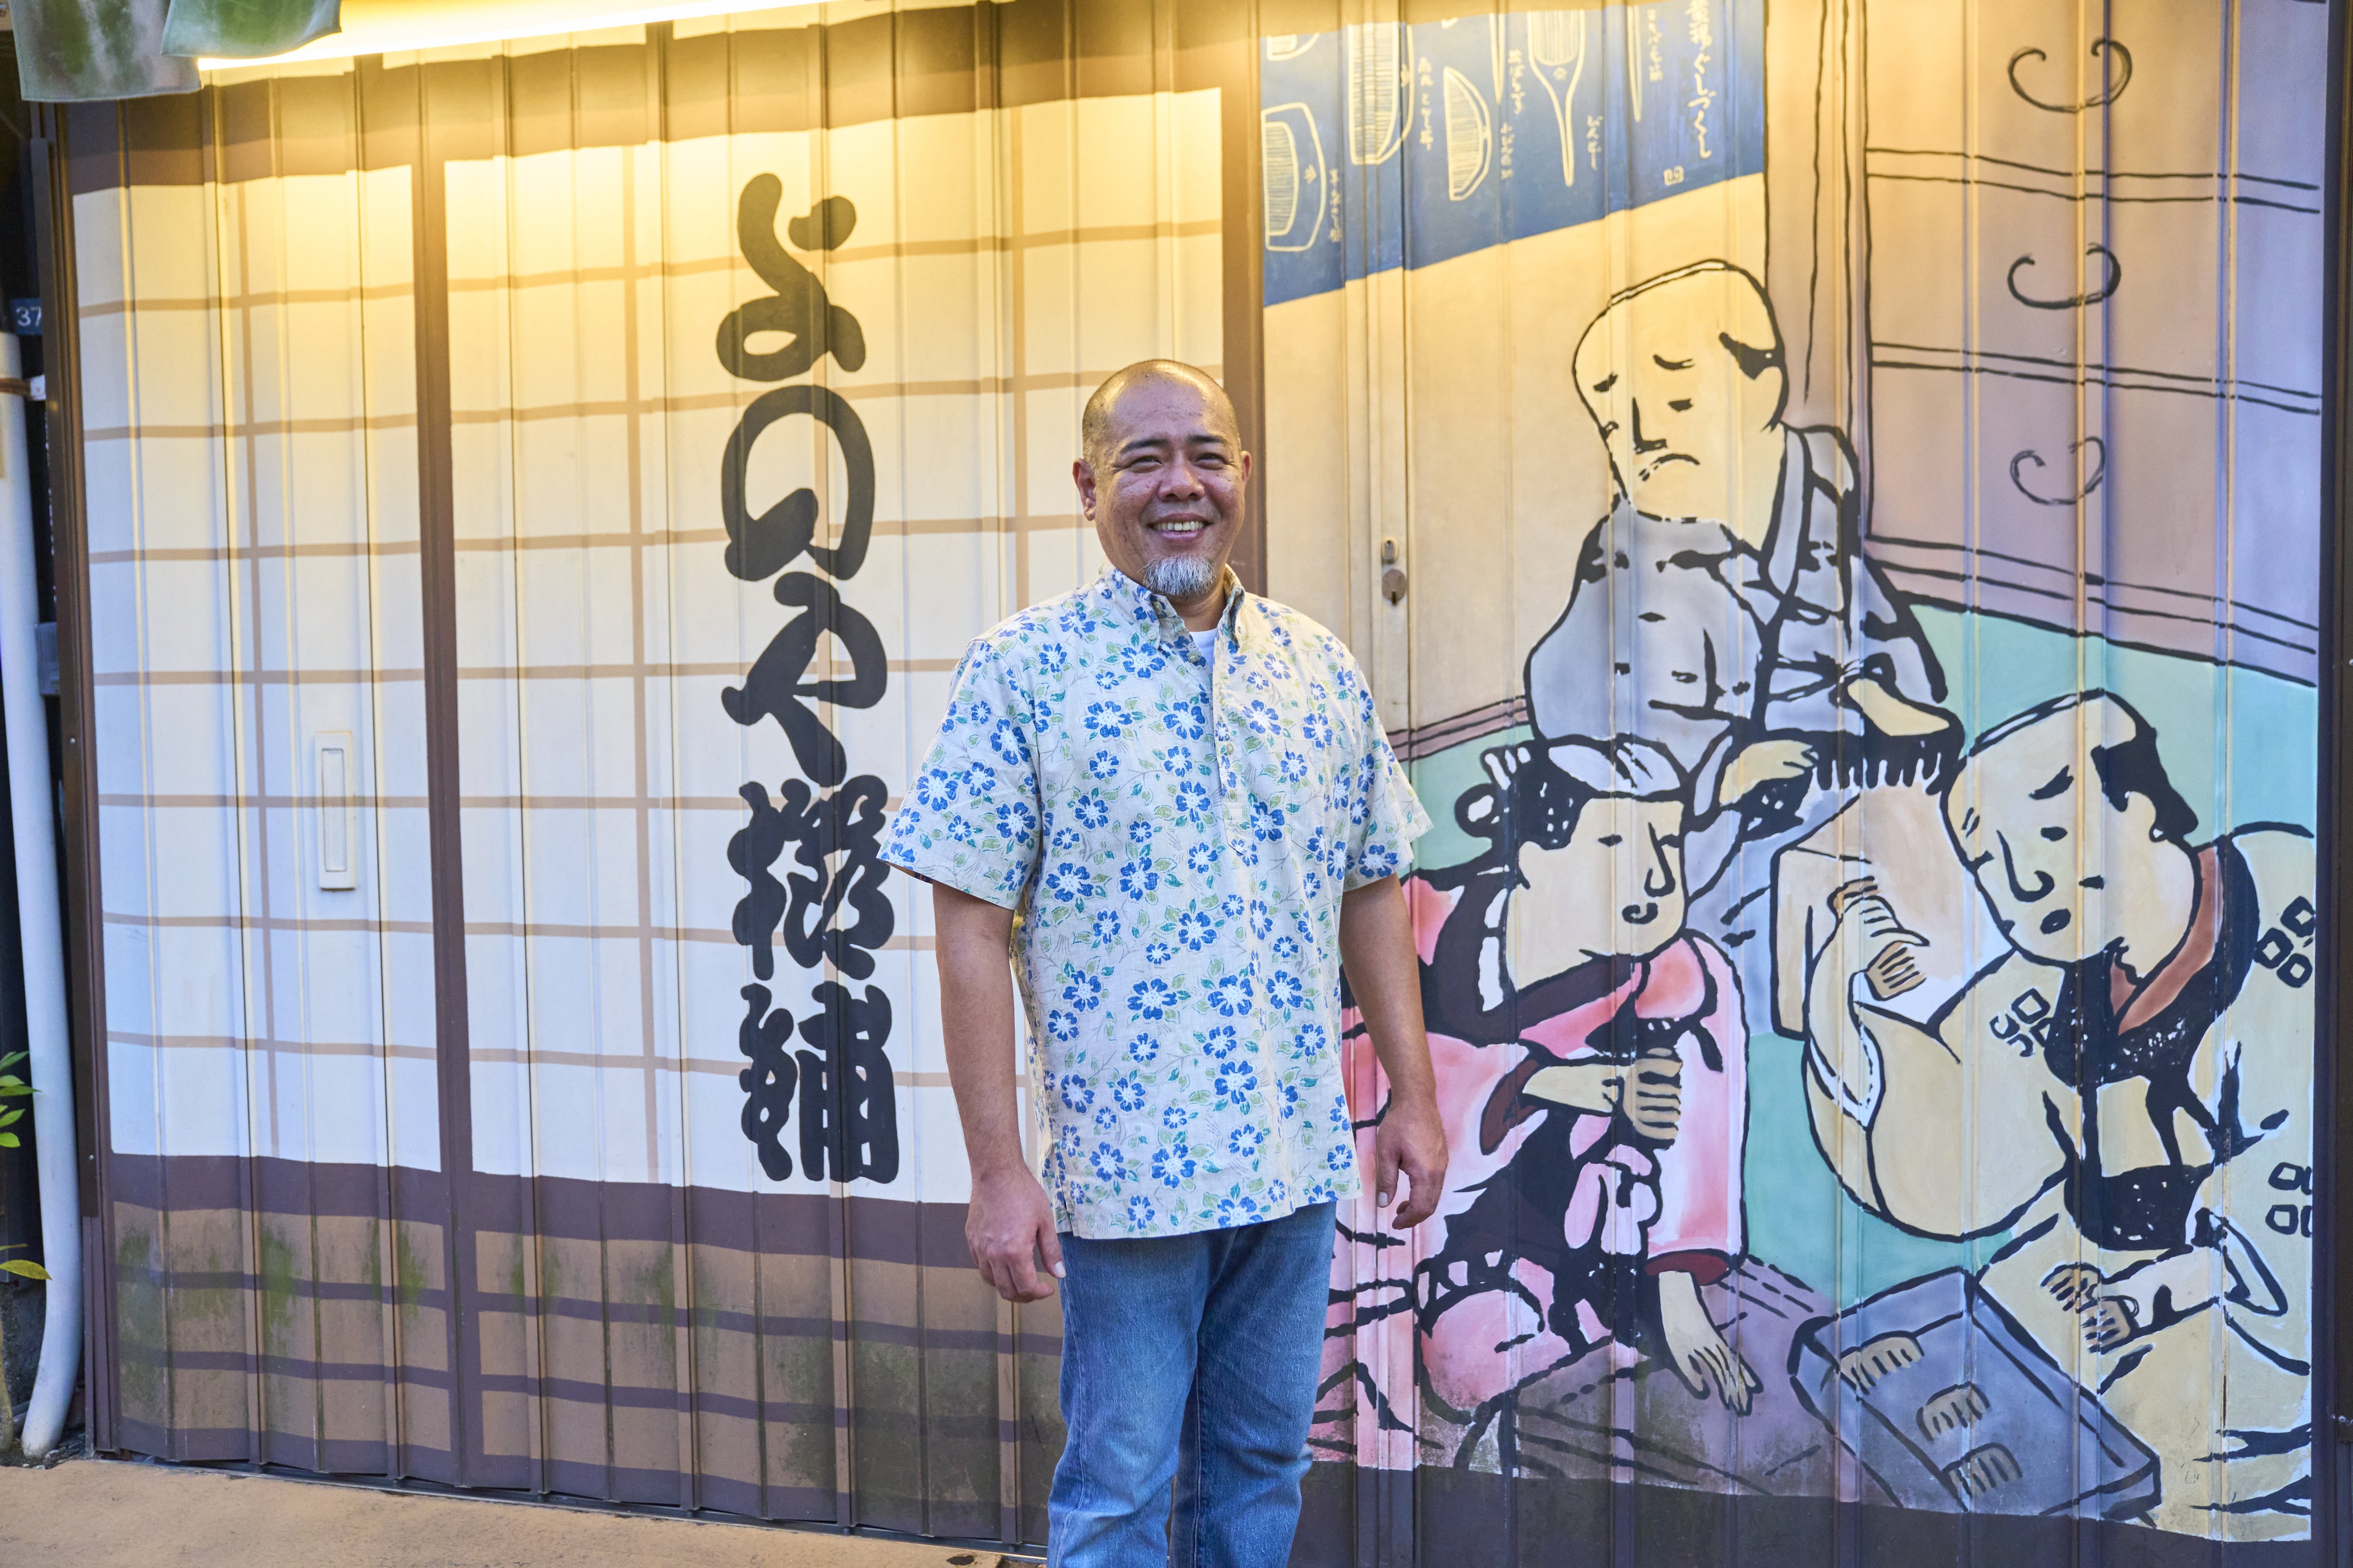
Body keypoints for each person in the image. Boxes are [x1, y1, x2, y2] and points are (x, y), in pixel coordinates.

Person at [882, 360, 1448, 1567]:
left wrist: (1411, 1094)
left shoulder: (1315, 668)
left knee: (1258, 1476)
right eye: (1143, 460)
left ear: (1244, 474)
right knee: (1119, 1493)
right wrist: (998, 1171)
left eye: (1205, 454)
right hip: (1128, 1180)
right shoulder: (1024, 673)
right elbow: (968, 922)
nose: (1178, 483)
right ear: (1089, 487)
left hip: (1292, 1169)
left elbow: (1369, 884)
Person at [1800, 690, 2313, 1537]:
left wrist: (2152, 1292)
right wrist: (1841, 1005)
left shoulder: (2288, 912)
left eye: (2045, 836)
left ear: (2141, 804)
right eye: (1988, 862)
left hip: (2224, 1357)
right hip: (2069, 1315)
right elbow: (1951, 1161)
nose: (2020, 884)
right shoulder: (2055, 975)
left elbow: (2295, 1220)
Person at [1519, 260, 1958, 994]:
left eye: (1676, 395)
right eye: (1609, 418)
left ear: (1763, 383)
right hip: (1709, 851)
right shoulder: (1622, 562)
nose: (1638, 434)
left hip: (1849, 811)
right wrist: (1721, 774)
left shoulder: (1820, 510)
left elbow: (1885, 647)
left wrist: (1882, 700)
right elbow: (1565, 705)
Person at [1325, 739, 1756, 1451]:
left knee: (1492, 1355)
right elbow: (1349, 1059)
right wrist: (1541, 1079)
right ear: (1528, 852)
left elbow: (1698, 1132)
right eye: (1616, 842)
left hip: (1550, 1244)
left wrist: (1676, 1290)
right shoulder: (1420, 919)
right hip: (1377, 1218)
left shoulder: (1686, 979)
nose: (1654, 876)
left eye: (1668, 842)